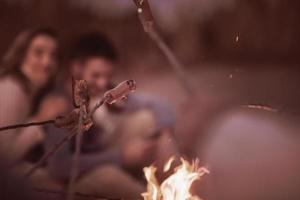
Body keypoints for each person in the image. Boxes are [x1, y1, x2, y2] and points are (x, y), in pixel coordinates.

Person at [41, 32, 176, 199]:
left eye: (107, 76)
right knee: (110, 178)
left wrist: (164, 133)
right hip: (71, 176)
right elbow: (59, 166)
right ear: (76, 68)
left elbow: (158, 104)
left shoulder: (102, 92)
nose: (103, 83)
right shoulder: (60, 104)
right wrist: (121, 156)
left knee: (147, 119)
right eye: (96, 75)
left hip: (101, 154)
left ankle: (173, 185)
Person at [0, 28, 59, 163]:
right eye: (38, 53)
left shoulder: (29, 90)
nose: (47, 62)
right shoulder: (11, 90)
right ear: (21, 55)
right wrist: (40, 119)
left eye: (53, 55)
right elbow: (3, 158)